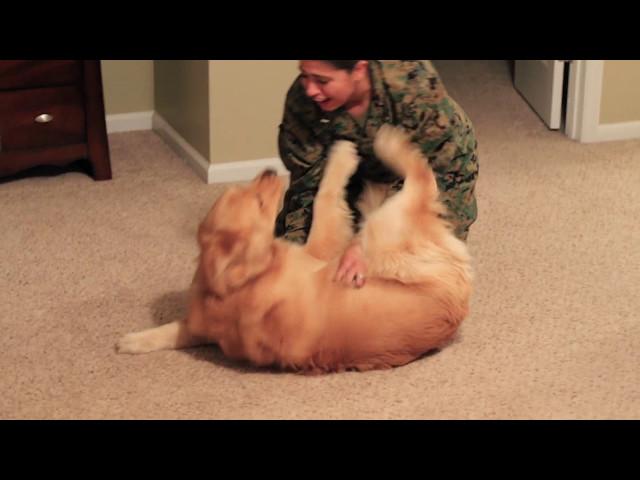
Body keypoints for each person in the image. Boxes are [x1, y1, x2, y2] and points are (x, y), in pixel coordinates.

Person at [274, 60, 478, 287]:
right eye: (304, 75)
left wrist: (365, 243)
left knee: (423, 267)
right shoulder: (301, 101)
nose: (310, 89)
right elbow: (307, 187)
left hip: (431, 165)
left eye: (322, 81)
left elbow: (418, 183)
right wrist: (298, 257)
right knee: (294, 263)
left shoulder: (412, 84)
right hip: (354, 164)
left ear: (359, 69)